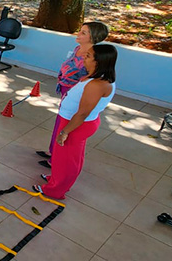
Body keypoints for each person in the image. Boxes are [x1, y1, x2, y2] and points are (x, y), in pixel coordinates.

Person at [36, 44, 117, 200]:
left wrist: (65, 131)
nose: (84, 58)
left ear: (98, 62)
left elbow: (83, 113)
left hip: (76, 124)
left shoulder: (98, 85)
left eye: (88, 56)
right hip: (71, 120)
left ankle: (55, 190)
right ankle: (55, 179)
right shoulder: (93, 77)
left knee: (68, 159)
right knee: (61, 156)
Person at [36, 21, 109, 169]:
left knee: (66, 124)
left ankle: (56, 159)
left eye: (84, 33)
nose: (79, 34)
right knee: (59, 121)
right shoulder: (77, 49)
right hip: (65, 89)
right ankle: (53, 151)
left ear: (93, 37)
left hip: (74, 92)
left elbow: (90, 78)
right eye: (80, 31)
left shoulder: (92, 57)